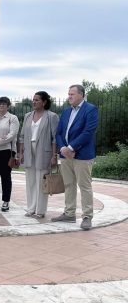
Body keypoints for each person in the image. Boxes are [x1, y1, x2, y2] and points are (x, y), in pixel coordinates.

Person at [52, 84, 98, 230]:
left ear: (81, 95)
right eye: (68, 94)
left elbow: (88, 131)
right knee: (68, 184)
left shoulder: (90, 109)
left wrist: (71, 147)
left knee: (84, 186)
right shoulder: (66, 112)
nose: (69, 96)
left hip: (82, 155)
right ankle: (69, 213)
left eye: (72, 94)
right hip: (65, 155)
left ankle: (87, 216)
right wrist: (63, 149)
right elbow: (58, 133)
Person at [18, 92, 59, 219]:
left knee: (41, 180)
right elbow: (22, 136)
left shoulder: (52, 116)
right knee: (30, 180)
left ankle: (40, 211)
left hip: (44, 150)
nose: (33, 102)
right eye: (33, 100)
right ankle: (31, 208)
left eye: (37, 100)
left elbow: (55, 138)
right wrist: (21, 152)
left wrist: (54, 155)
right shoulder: (27, 116)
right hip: (29, 149)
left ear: (44, 102)